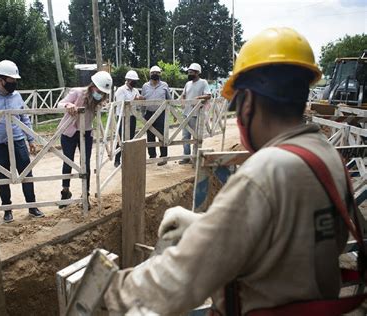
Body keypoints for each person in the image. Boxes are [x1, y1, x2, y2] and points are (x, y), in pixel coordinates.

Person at [104, 27, 361, 315]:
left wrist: (111, 292)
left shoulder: (264, 172)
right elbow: (288, 238)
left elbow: (178, 280)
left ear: (248, 102)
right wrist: (207, 225)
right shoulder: (328, 157)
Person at [0, 60, 44, 223]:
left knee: (27, 173)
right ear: (1, 79)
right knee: (2, 176)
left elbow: (24, 118)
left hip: (18, 140)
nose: (14, 84)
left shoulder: (17, 96)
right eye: (11, 81)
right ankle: (7, 210)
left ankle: (32, 206)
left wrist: (31, 139)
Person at [57, 71, 113, 208]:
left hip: (86, 133)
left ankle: (85, 195)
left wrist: (100, 105)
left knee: (85, 163)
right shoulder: (77, 92)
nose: (100, 94)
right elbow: (59, 104)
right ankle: (65, 191)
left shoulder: (99, 100)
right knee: (68, 161)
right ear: (92, 86)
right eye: (98, 91)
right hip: (69, 132)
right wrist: (68, 106)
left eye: (102, 92)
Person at [179, 63, 211, 165]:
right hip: (186, 114)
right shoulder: (187, 84)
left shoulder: (203, 82)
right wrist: (181, 103)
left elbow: (208, 95)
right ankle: (186, 157)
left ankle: (195, 157)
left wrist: (198, 98)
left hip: (196, 115)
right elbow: (183, 95)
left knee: (196, 137)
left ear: (197, 73)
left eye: (191, 72)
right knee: (185, 137)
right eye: (188, 72)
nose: (189, 74)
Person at [114, 70, 145, 167]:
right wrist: (133, 100)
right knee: (121, 138)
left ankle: (128, 159)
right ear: (127, 80)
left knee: (131, 138)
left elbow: (137, 105)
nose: (134, 82)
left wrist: (140, 100)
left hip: (132, 117)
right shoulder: (121, 90)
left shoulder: (135, 90)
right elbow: (122, 104)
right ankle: (117, 159)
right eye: (133, 80)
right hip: (122, 117)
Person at [141, 65, 171, 166]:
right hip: (149, 113)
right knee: (150, 136)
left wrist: (171, 112)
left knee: (162, 136)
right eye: (153, 73)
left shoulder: (164, 85)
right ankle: (152, 156)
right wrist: (142, 114)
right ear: (150, 74)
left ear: (160, 74)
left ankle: (163, 157)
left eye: (157, 73)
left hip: (161, 114)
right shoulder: (145, 86)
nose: (155, 74)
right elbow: (142, 101)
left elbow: (169, 100)